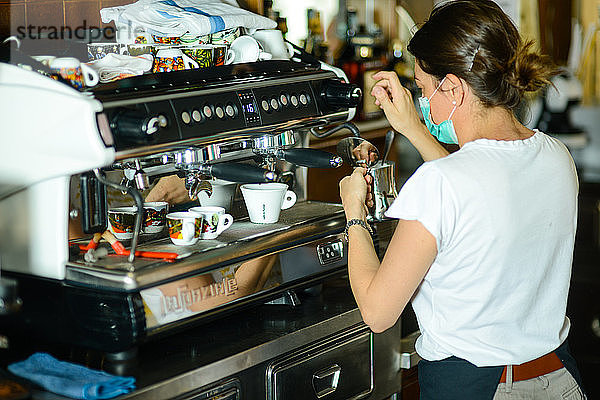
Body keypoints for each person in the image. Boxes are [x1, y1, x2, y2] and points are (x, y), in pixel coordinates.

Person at [338, 1, 585, 399]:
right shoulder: (557, 156)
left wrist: (354, 215)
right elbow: (479, 192)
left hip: (477, 388)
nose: (422, 102)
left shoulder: (440, 184)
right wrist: (415, 130)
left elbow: (378, 312)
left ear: (452, 88)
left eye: (422, 89)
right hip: (559, 379)